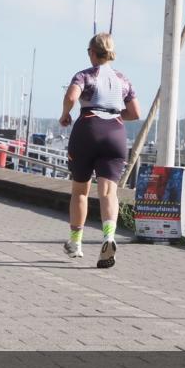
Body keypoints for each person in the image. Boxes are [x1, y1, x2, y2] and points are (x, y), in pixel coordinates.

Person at [59, 33, 140, 268]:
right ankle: (109, 238)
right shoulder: (123, 80)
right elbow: (135, 113)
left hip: (88, 128)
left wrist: (65, 114)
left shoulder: (85, 75)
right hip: (115, 132)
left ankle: (76, 244)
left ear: (93, 53)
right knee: (108, 193)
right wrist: (114, 115)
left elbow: (71, 96)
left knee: (81, 190)